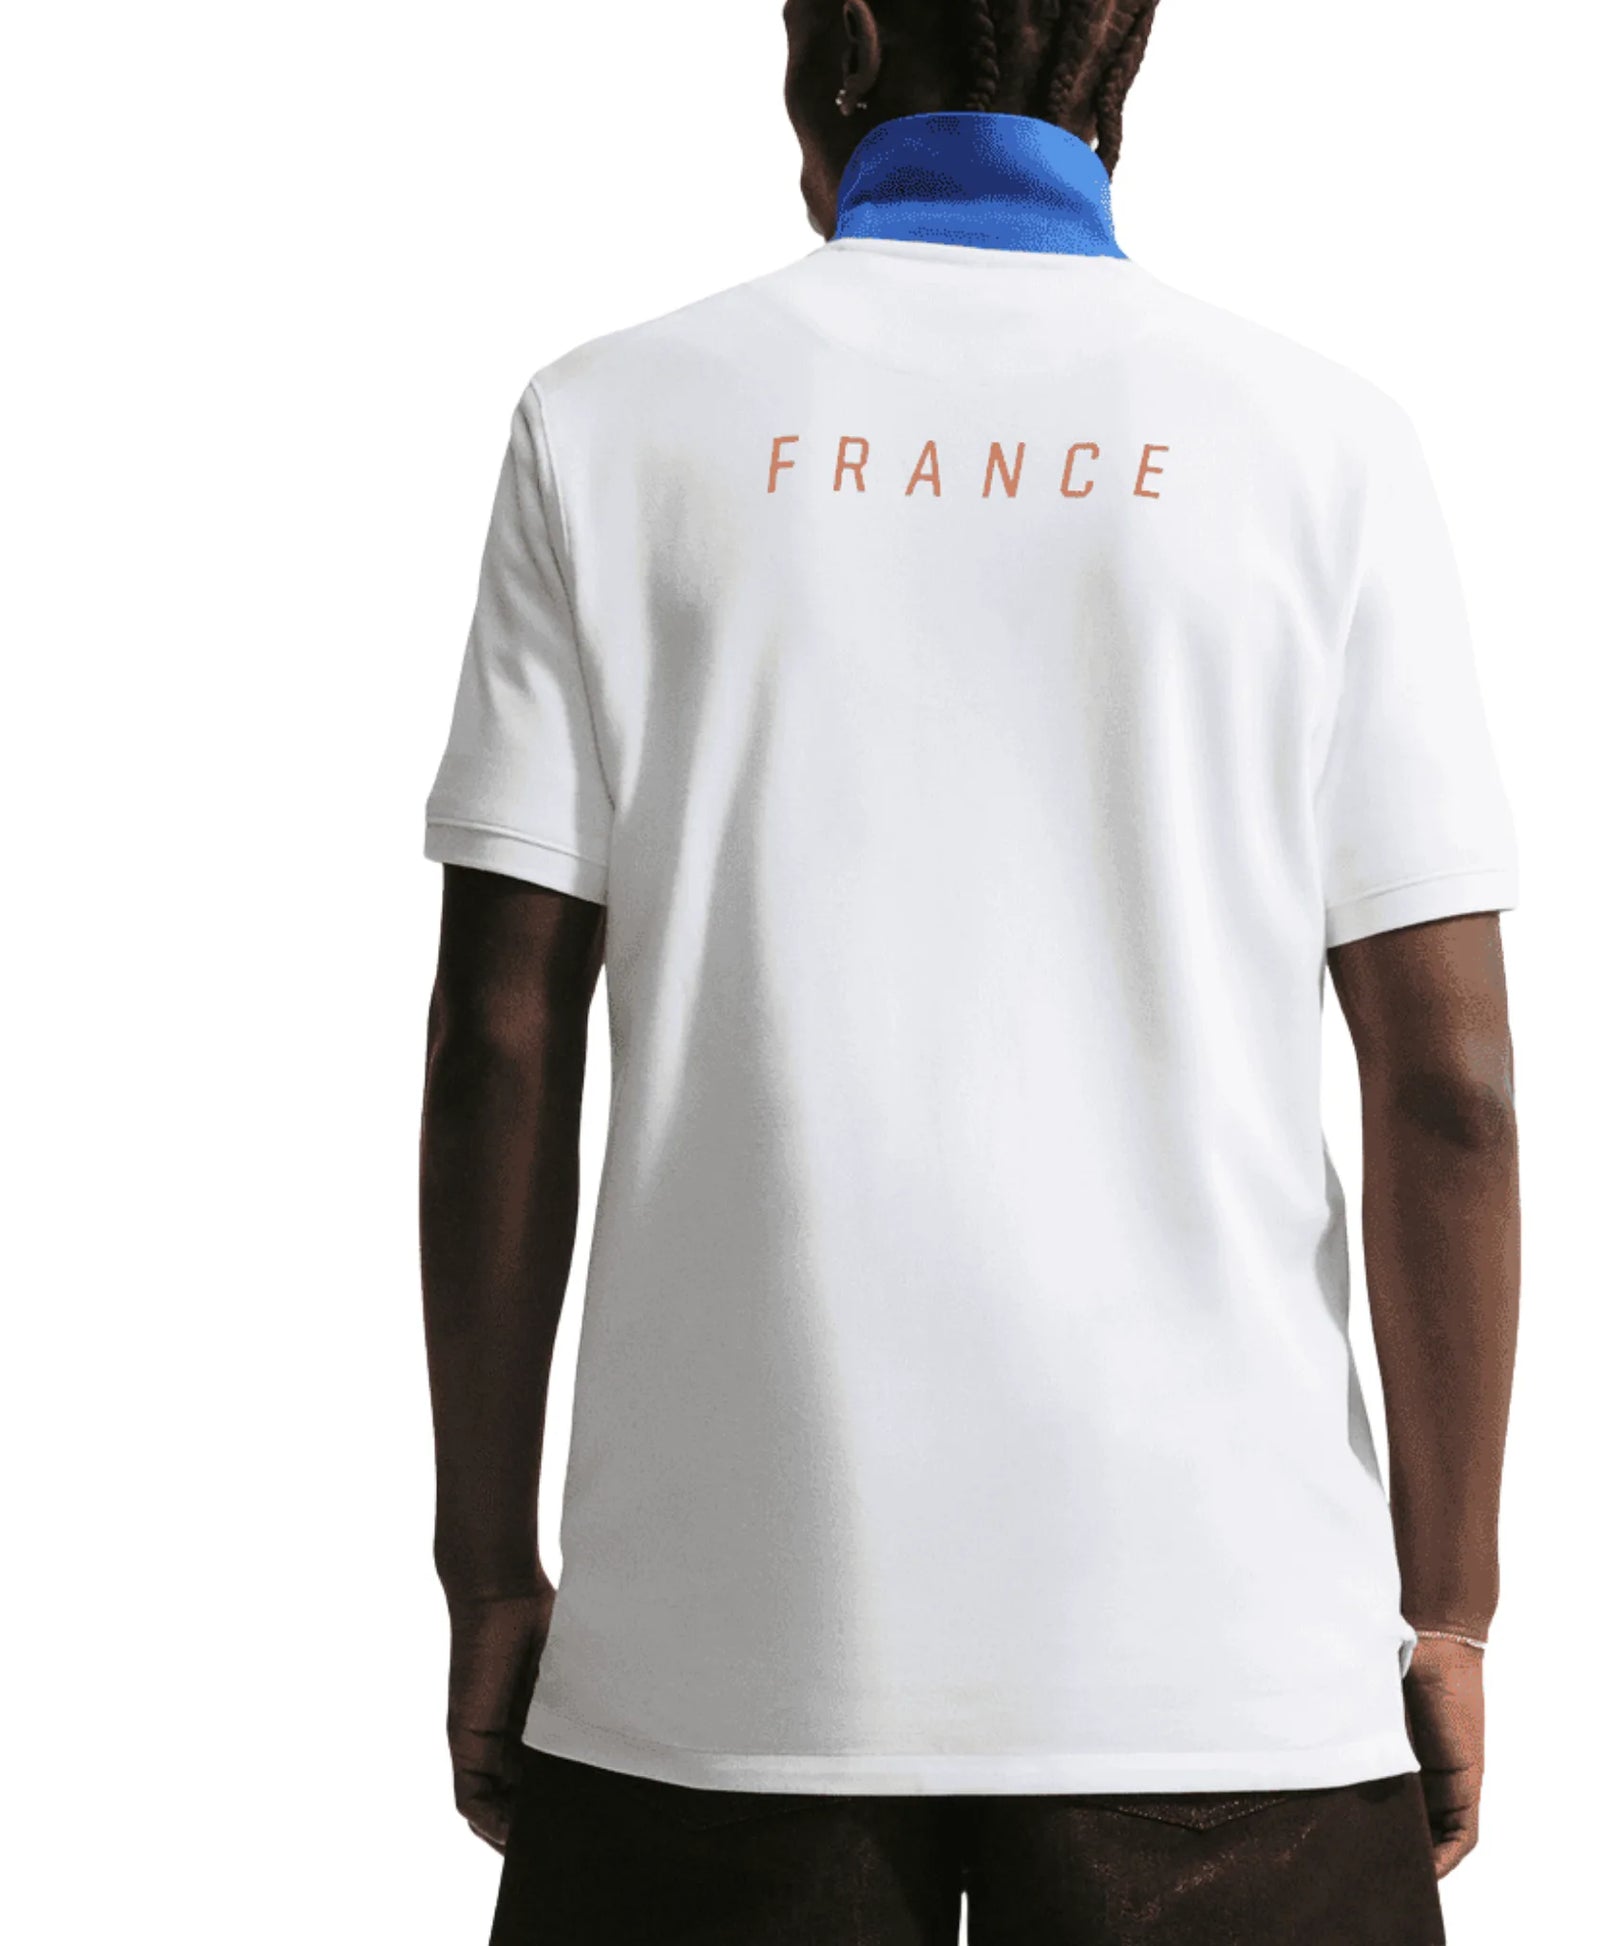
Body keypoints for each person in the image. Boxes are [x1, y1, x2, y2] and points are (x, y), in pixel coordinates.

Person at [418, 3, 1521, 1939]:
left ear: (840, 48)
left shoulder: (605, 418)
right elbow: (1449, 1090)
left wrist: (487, 1566)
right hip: (1227, 1657)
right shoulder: (1320, 440)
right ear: (1117, 56)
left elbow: (504, 1040)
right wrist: (1449, 1601)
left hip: (715, 1656)